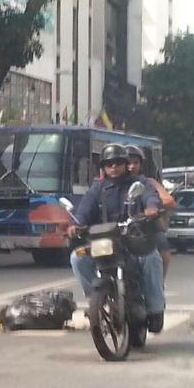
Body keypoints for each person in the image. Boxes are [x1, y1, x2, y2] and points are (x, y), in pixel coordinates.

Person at [67, 143, 165, 333]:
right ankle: (96, 300)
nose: (114, 167)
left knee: (151, 258)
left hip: (134, 238)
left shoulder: (139, 183)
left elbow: (150, 197)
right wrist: (76, 224)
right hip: (106, 240)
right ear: (103, 167)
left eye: (118, 162)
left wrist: (151, 208)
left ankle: (155, 309)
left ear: (125, 164)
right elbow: (84, 211)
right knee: (77, 258)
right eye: (109, 163)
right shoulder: (98, 189)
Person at [126, 145, 175, 279]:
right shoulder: (106, 184)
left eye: (135, 163)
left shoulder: (147, 183)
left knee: (161, 245)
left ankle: (158, 285)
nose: (131, 166)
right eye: (127, 163)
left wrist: (151, 207)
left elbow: (169, 201)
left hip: (143, 227)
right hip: (116, 228)